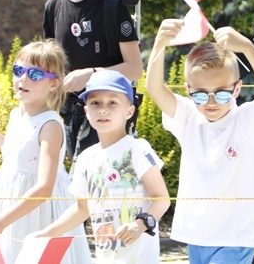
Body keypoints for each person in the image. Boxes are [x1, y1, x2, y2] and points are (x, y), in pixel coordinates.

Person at [145, 22, 254, 264]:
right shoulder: (188, 117)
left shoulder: (246, 118)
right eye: (200, 94)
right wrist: (160, 44)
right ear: (187, 89)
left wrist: (247, 48)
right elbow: (154, 89)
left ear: (237, 88)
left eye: (221, 93)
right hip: (198, 234)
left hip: (236, 235)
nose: (211, 102)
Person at [31, 70, 170, 263]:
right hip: (106, 256)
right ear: (86, 111)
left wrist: (140, 225)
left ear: (129, 111)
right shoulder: (86, 158)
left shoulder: (137, 148)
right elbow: (81, 209)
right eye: (95, 103)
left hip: (139, 257)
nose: (103, 109)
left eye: (112, 102)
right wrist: (46, 233)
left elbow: (162, 199)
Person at [43, 0, 143, 165]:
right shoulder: (53, 6)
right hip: (67, 114)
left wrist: (91, 74)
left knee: (90, 187)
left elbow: (135, 67)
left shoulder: (112, 6)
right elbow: (50, 67)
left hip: (105, 114)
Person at [0, 40, 91, 264]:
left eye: (34, 74)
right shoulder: (17, 114)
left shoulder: (50, 126)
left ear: (54, 84)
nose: (23, 78)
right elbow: (19, 152)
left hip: (39, 210)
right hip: (11, 201)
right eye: (18, 70)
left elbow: (44, 186)